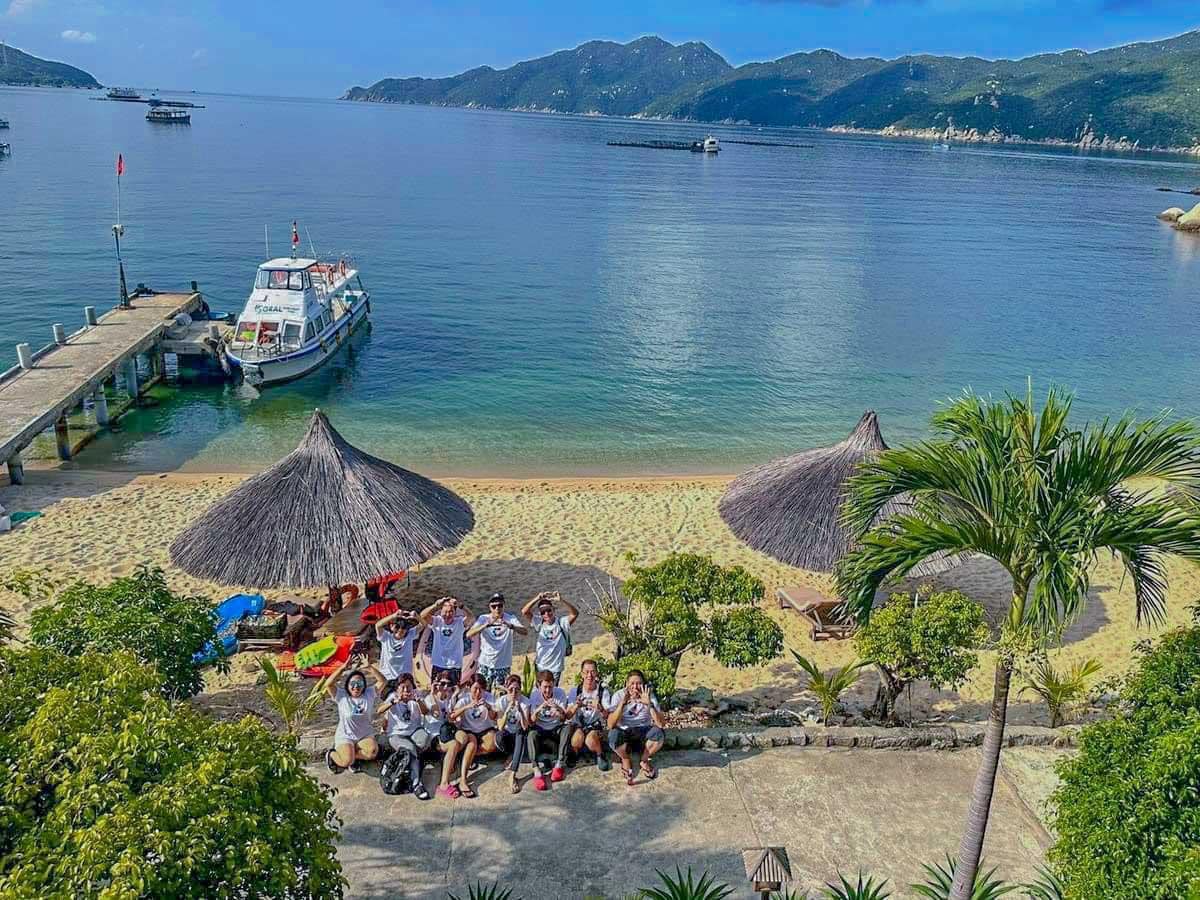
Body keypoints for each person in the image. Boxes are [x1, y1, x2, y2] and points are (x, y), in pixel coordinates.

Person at [325, 656, 387, 774]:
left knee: (372, 752)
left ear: (364, 685)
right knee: (346, 762)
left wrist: (370, 667)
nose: (356, 686)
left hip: (364, 735)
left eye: (359, 683)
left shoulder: (369, 693)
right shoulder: (341, 695)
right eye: (353, 683)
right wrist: (342, 668)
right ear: (348, 685)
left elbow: (383, 681)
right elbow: (328, 684)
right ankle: (331, 754)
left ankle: (354, 756)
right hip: (346, 735)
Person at [376, 673, 432, 800]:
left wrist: (418, 701)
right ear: (397, 688)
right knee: (410, 749)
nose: (406, 690)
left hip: (414, 731)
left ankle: (408, 761)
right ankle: (416, 783)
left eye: (409, 687)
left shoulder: (416, 695)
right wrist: (393, 702)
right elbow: (379, 711)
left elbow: (426, 712)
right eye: (402, 687)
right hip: (396, 734)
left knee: (425, 740)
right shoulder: (393, 696)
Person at [607, 669, 667, 786]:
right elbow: (610, 724)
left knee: (659, 734)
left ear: (643, 684)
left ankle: (644, 759)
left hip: (644, 731)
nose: (635, 687)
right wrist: (622, 704)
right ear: (626, 684)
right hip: (625, 731)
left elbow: (661, 724)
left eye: (639, 683)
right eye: (632, 683)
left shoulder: (648, 695)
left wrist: (649, 704)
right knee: (613, 736)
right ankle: (625, 758)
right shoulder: (619, 695)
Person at [447, 673, 496, 798]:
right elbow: (452, 717)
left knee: (492, 743)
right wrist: (467, 707)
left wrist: (488, 707)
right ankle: (463, 780)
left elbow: (494, 717)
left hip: (485, 729)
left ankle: (468, 757)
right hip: (469, 730)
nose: (478, 692)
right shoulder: (464, 699)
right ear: (469, 688)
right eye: (475, 689)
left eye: (481, 689)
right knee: (472, 743)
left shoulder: (489, 697)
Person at [466, 592, 528, 690]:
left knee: (501, 694)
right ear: (490, 607)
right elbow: (469, 634)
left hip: (503, 665)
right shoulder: (484, 618)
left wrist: (511, 626)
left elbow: (525, 632)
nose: (497, 609)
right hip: (485, 664)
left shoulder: (510, 618)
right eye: (494, 606)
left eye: (500, 606)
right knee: (483, 692)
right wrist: (485, 625)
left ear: (504, 606)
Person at [526, 669, 572, 790]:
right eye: (545, 687)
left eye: (550, 687)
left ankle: (559, 763)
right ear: (539, 686)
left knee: (567, 727)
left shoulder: (560, 693)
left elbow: (564, 719)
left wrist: (558, 709)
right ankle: (536, 769)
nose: (548, 690)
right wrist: (539, 708)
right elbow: (531, 721)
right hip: (541, 728)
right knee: (531, 734)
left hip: (555, 728)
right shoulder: (534, 695)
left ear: (554, 684)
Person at [520, 591, 578, 685]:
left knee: (552, 690)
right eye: (543, 612)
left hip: (556, 667)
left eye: (549, 610)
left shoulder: (562, 622)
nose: (546, 614)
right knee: (540, 691)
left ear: (553, 610)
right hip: (540, 665)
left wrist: (561, 600)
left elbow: (575, 614)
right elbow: (524, 611)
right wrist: (537, 598)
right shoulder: (539, 622)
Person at [423, 675, 464, 800]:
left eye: (448, 684)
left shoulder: (448, 698)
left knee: (464, 737)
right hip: (434, 735)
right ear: (436, 684)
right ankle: (443, 784)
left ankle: (449, 761)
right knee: (454, 745)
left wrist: (455, 695)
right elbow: (436, 713)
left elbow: (451, 719)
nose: (445, 687)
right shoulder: (429, 698)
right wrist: (432, 694)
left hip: (446, 733)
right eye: (442, 684)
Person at [419, 596, 475, 686]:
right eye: (445, 611)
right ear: (441, 612)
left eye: (451, 612)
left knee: (454, 690)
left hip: (454, 665)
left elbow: (471, 617)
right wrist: (436, 605)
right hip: (438, 664)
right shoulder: (436, 621)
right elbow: (423, 615)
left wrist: (462, 606)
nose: (448, 615)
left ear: (455, 613)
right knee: (436, 689)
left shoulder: (460, 622)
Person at [567, 658, 611, 770]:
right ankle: (575, 752)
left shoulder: (603, 692)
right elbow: (568, 715)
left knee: (590, 740)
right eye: (586, 672)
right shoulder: (575, 691)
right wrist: (576, 706)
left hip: (595, 725)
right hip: (580, 725)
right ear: (582, 674)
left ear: (596, 673)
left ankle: (600, 753)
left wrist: (600, 708)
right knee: (576, 740)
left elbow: (607, 716)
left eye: (592, 672)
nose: (589, 675)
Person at [493, 673, 532, 794]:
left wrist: (520, 710)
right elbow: (500, 726)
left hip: (519, 734)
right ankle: (511, 754)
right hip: (506, 735)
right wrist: (507, 710)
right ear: (506, 689)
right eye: (511, 690)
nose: (514, 693)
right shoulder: (501, 701)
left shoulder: (525, 702)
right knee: (499, 737)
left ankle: (512, 774)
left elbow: (525, 726)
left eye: (517, 690)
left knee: (520, 733)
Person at [375, 607, 420, 693]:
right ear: (391, 626)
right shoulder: (386, 637)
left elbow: (423, 624)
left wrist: (416, 617)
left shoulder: (410, 635)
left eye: (403, 628)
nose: (400, 630)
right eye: (397, 627)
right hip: (387, 677)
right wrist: (394, 616)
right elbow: (378, 625)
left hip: (404, 678)